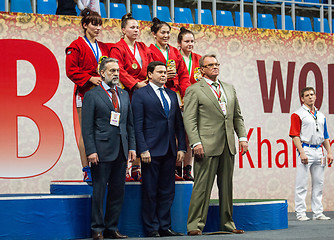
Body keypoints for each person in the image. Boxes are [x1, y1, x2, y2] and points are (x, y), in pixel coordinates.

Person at [183, 54, 248, 235]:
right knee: (202, 187)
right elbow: (189, 120)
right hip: (206, 145)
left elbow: (237, 116)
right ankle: (195, 225)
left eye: (217, 64)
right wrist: (196, 142)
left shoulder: (229, 88)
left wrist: (242, 137)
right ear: (202, 69)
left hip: (228, 144)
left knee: (226, 187)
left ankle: (228, 224)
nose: (215, 67)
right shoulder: (194, 90)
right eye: (210, 65)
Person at [82, 57, 136, 240]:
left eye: (117, 71)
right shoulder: (91, 95)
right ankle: (97, 229)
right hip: (101, 150)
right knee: (99, 191)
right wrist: (91, 151)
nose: (115, 74)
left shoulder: (123, 94)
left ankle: (111, 228)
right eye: (112, 71)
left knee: (117, 191)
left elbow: (129, 125)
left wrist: (132, 147)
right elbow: (87, 127)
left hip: (121, 149)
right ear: (102, 73)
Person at [131, 61, 187, 237]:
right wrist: (143, 149)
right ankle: (152, 228)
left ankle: (165, 226)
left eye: (165, 72)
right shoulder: (140, 94)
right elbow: (137, 125)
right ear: (149, 74)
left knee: (167, 191)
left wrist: (182, 148)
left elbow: (179, 124)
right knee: (150, 191)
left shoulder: (171, 95)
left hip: (170, 150)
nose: (164, 75)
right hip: (151, 151)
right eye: (160, 72)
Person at [66, 8, 109, 184]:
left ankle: (101, 167)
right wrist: (90, 78)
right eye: (94, 24)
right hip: (84, 93)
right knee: (86, 131)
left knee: (102, 130)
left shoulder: (104, 47)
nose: (98, 28)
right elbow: (71, 71)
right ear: (85, 25)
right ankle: (86, 170)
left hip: (102, 94)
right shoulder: (76, 46)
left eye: (100, 24)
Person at [110, 13, 153, 181]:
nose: (136, 30)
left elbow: (150, 66)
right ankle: (124, 167)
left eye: (137, 27)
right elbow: (118, 70)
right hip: (125, 93)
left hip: (141, 93)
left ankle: (136, 166)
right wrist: (135, 83)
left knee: (138, 128)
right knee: (125, 129)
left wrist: (146, 81)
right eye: (132, 27)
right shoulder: (117, 48)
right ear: (123, 30)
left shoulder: (143, 47)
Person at [289, 87, 333, 221]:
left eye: (312, 94)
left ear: (315, 96)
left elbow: (325, 136)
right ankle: (301, 213)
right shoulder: (298, 114)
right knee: (302, 184)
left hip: (319, 150)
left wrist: (329, 152)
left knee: (319, 183)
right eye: (307, 95)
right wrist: (301, 152)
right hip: (306, 148)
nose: (310, 97)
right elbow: (295, 135)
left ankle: (318, 212)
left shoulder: (321, 116)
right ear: (302, 98)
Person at [175, 27, 202, 181]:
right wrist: (182, 100)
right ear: (179, 43)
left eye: (192, 41)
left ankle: (188, 169)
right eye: (187, 41)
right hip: (179, 99)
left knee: (190, 136)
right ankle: (177, 167)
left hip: (194, 102)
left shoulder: (199, 59)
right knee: (178, 136)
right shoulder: (175, 58)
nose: (190, 44)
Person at [149, 18, 191, 99]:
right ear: (154, 34)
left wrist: (186, 97)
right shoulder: (149, 52)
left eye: (168, 33)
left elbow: (184, 75)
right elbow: (148, 75)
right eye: (163, 33)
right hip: (157, 93)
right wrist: (164, 76)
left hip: (175, 92)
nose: (166, 36)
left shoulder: (175, 52)